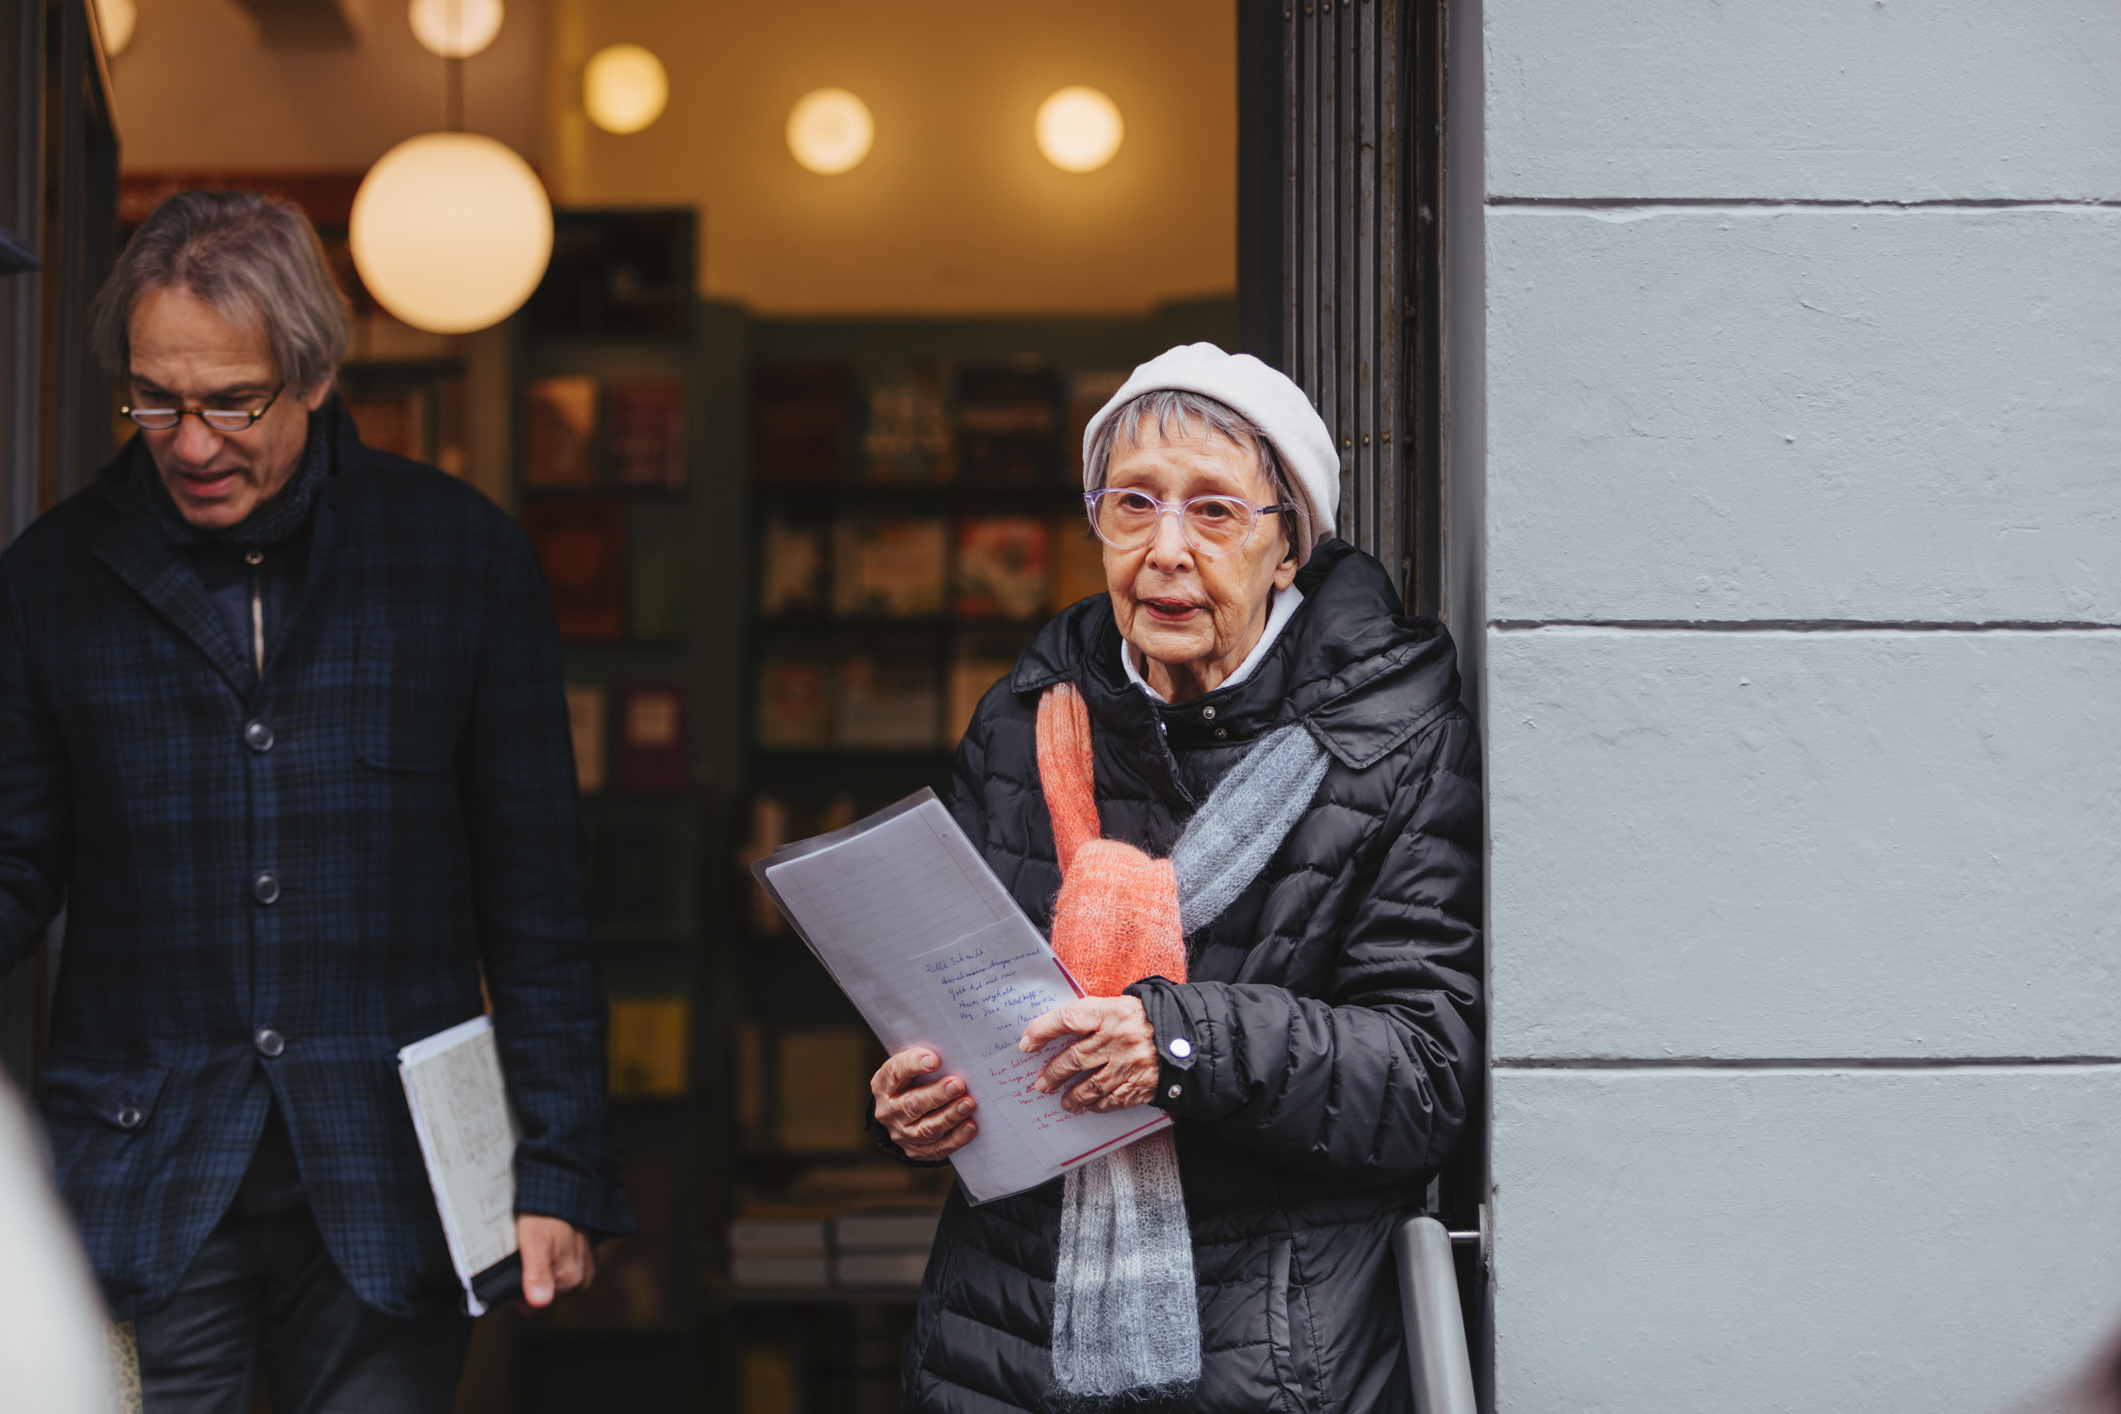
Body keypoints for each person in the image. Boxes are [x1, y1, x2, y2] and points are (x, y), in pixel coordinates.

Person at [0, 190, 631, 1412]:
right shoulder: (48, 581)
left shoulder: (461, 558)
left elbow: (537, 897)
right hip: (141, 1169)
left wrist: (559, 1167)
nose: (188, 443)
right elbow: (14, 860)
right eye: (155, 400)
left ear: (315, 376)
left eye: (231, 402)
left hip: (394, 1175)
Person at [870, 344, 1483, 1413]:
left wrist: (1179, 1042)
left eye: (1214, 512)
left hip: (1272, 1356)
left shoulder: (1392, 743)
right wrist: (913, 1093)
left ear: (1287, 545)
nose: (1164, 550)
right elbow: (955, 1000)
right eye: (1133, 503)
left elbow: (1425, 1074)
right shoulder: (1024, 722)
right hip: (1005, 1347)